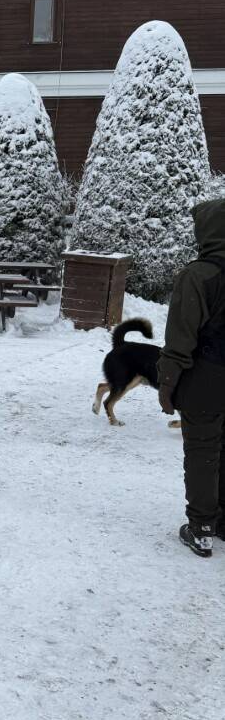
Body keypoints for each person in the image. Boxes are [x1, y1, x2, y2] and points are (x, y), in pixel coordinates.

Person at [158, 198, 225, 558]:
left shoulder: (197, 276)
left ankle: (201, 527)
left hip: (206, 378)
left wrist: (167, 381)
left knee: (202, 449)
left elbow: (180, 337)